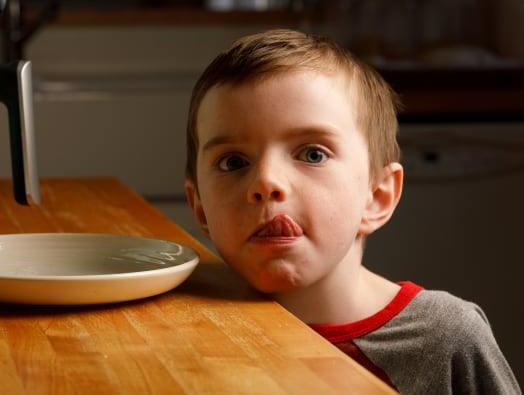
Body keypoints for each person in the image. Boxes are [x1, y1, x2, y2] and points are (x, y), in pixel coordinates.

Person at [183, 29, 519, 393]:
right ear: (200, 207)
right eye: (233, 161)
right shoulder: (186, 332)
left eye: (312, 154)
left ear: (376, 197)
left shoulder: (446, 337)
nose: (266, 183)